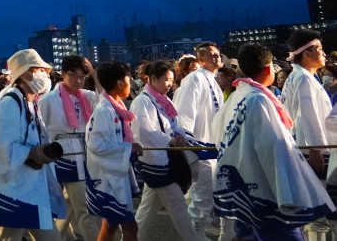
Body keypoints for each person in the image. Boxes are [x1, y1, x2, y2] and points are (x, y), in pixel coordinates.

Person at [213, 43, 334, 241]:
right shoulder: (258, 99)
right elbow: (273, 146)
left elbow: (218, 133)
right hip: (264, 185)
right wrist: (286, 192)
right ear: (269, 68)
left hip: (245, 179)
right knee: (282, 232)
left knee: (248, 233)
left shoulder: (238, 96)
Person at [0, 48, 65, 241]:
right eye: (40, 70)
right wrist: (31, 153)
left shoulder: (30, 102)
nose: (45, 75)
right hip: (14, 189)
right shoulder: (10, 102)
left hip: (31, 187)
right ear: (25, 72)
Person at [131, 59, 202, 241]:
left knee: (147, 209)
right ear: (153, 79)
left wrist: (179, 136)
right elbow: (145, 131)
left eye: (171, 79)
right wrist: (172, 140)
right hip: (155, 162)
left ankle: (132, 238)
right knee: (178, 207)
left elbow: (172, 125)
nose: (170, 84)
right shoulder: (142, 101)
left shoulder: (163, 100)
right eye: (166, 79)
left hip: (161, 161)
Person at [39, 55, 101, 241]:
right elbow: (40, 129)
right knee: (84, 206)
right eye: (73, 75)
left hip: (83, 154)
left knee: (71, 203)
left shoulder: (87, 96)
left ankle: (56, 235)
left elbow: (105, 100)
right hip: (61, 155)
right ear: (63, 74)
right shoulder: (49, 99)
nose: (78, 80)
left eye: (82, 77)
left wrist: (94, 75)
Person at [173, 41, 225, 238]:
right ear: (200, 59)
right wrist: (189, 143)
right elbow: (184, 113)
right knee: (202, 194)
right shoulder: (195, 79)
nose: (216, 56)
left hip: (213, 145)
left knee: (209, 193)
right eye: (211, 54)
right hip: (201, 145)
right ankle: (195, 234)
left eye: (217, 52)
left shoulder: (212, 79)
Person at [86, 60, 142, 241]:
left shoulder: (114, 107)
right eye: (129, 79)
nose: (130, 83)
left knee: (110, 226)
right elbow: (95, 145)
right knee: (130, 227)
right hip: (108, 180)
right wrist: (127, 148)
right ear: (120, 83)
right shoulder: (104, 111)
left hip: (113, 176)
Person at [281, 30, 332, 181]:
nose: (324, 53)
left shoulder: (297, 76)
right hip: (312, 149)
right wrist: (316, 148)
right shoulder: (303, 78)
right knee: (323, 192)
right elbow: (308, 113)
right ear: (306, 55)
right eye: (319, 49)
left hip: (302, 144)